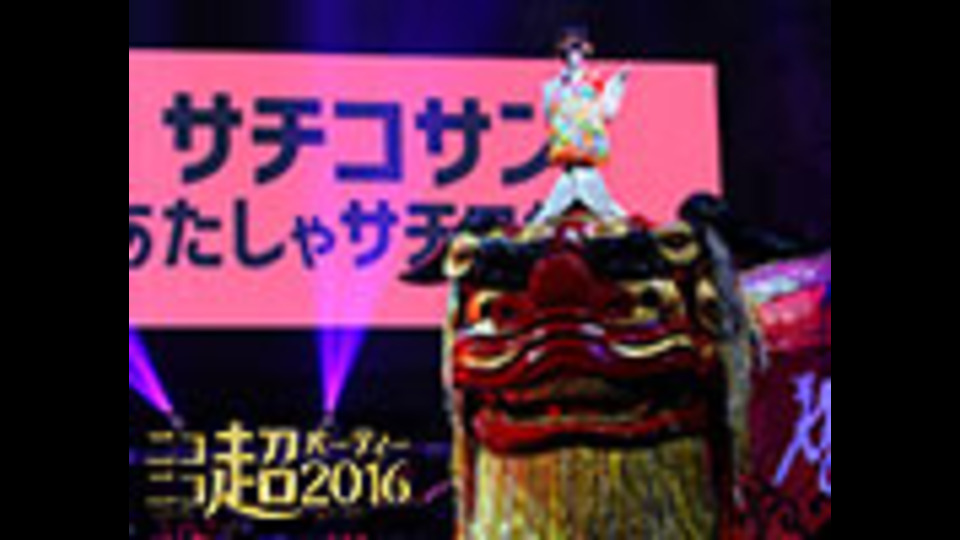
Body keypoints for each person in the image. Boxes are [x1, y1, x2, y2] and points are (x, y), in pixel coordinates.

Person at [532, 25, 633, 224]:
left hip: (587, 161)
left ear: (586, 49)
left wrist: (617, 84)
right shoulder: (553, 87)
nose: (574, 54)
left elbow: (607, 112)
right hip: (569, 160)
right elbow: (549, 117)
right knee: (549, 215)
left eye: (577, 48)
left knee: (607, 212)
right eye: (569, 49)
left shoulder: (594, 83)